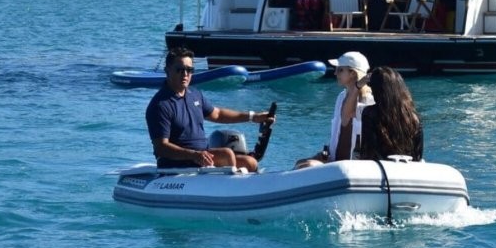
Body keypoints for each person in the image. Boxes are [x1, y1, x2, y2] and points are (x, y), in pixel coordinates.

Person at [145, 47, 274, 171]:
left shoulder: (194, 95)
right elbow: (161, 148)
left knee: (250, 162)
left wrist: (253, 117)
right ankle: (230, 188)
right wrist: (194, 155)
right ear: (167, 71)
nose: (185, 74)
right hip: (177, 163)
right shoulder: (160, 105)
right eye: (180, 69)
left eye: (189, 70)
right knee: (226, 154)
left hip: (201, 157)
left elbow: (217, 114)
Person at [294, 51, 374, 168]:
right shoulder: (341, 97)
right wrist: (326, 154)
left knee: (307, 166)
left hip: (353, 167)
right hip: (334, 160)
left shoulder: (367, 100)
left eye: (340, 70)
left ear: (352, 73)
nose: (335, 73)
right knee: (300, 163)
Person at [358, 66, 424, 161]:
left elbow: (368, 153)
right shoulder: (414, 117)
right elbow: (418, 156)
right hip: (409, 170)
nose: (371, 92)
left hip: (380, 171)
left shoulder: (370, 114)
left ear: (378, 90)